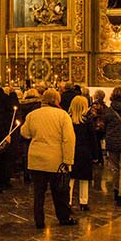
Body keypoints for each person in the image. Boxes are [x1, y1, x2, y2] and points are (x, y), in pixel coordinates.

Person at [20, 88, 76, 228]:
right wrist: (68, 160)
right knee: (59, 192)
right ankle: (63, 218)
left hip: (36, 158)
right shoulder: (62, 115)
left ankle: (39, 221)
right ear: (56, 100)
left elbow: (25, 133)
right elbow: (68, 139)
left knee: (39, 193)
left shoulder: (33, 114)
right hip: (55, 159)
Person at [68, 95, 99, 211]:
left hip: (71, 151)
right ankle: (83, 202)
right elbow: (93, 139)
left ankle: (68, 201)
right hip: (85, 152)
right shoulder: (88, 121)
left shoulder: (68, 119)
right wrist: (96, 155)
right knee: (84, 179)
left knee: (70, 179)